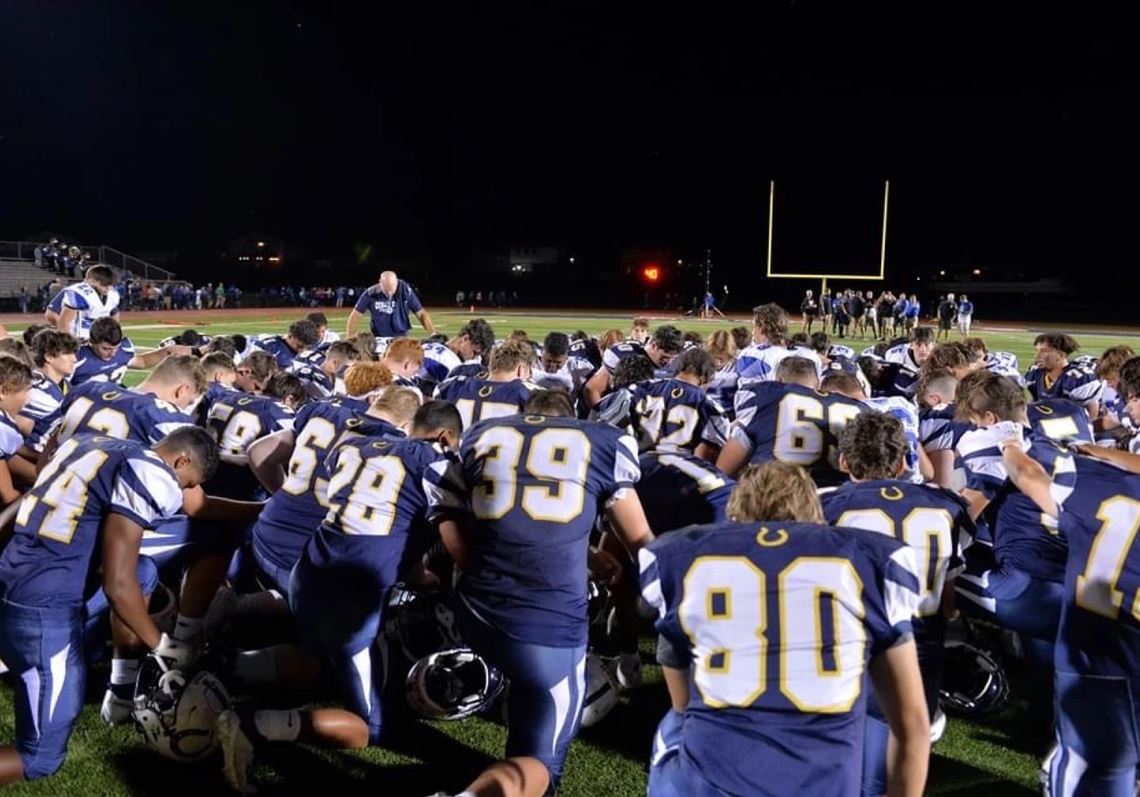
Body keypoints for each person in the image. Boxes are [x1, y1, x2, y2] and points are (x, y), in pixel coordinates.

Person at [640, 460, 929, 797]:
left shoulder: (687, 558)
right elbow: (914, 726)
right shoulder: (869, 562)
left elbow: (682, 702)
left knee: (673, 726)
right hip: (823, 785)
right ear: (814, 512)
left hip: (712, 783)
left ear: (736, 515)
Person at [216, 402, 463, 794]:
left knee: (320, 660)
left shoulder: (355, 446)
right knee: (374, 726)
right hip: (352, 599)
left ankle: (225, 668)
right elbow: (435, 531)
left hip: (306, 575)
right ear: (448, 436)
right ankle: (255, 724)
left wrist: (415, 571)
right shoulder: (436, 464)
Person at [428, 390, 654, 797]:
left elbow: (465, 516)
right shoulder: (603, 441)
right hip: (546, 626)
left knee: (515, 681)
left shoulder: (484, 433)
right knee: (540, 767)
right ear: (571, 419)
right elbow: (641, 541)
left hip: (474, 606)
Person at [0, 427, 219, 786]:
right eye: (186, 482)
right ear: (182, 461)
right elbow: (117, 584)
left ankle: (118, 683)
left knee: (144, 572)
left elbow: (26, 502)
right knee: (39, 757)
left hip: (12, 572)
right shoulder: (154, 476)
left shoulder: (90, 443)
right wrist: (163, 646)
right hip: (41, 607)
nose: (180, 491)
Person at [821, 412, 973, 794]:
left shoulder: (827, 505)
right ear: (904, 461)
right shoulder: (947, 504)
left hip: (850, 642)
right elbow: (949, 597)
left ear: (843, 461)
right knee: (896, 749)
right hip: (920, 640)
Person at [997, 429, 1140, 795]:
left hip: (1094, 655)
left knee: (1094, 768)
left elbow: (1028, 476)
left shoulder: (1092, 490)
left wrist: (1010, 445)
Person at [717, 355, 866, 486]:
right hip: (837, 502)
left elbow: (725, 472)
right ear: (817, 384)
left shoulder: (766, 397)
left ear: (778, 380)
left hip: (775, 499)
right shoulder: (855, 408)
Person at [434, 339, 540, 431]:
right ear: (520, 370)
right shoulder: (527, 393)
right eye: (528, 372)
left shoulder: (454, 385)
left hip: (456, 452)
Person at [70, 318, 183, 386]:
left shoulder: (125, 348)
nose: (112, 353)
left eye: (116, 348)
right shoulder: (76, 357)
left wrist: (166, 351)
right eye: (106, 348)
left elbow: (142, 362)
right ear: (91, 342)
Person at [1025, 333, 1102, 420]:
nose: (1037, 356)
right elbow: (1034, 404)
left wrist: (1091, 432)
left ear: (1060, 355)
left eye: (1043, 351)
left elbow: (1092, 411)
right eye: (1037, 351)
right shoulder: (1035, 374)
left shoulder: (1076, 379)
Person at [346, 270, 436, 339]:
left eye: (391, 289)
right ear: (380, 283)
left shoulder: (404, 290)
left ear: (396, 282)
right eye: (386, 290)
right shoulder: (370, 293)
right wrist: (349, 339)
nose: (389, 293)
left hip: (400, 337)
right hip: (379, 338)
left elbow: (421, 313)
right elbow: (355, 316)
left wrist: (433, 334)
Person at [55, 265, 120, 342]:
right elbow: (64, 321)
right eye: (104, 285)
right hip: (78, 337)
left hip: (99, 338)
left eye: (110, 285)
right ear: (93, 281)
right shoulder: (80, 293)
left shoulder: (113, 295)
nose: (108, 289)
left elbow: (114, 314)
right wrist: (67, 342)